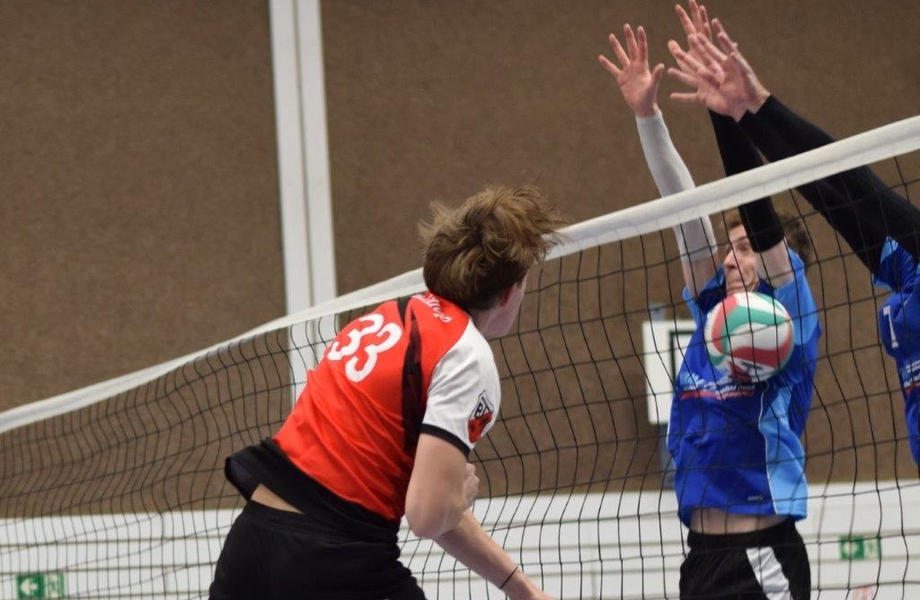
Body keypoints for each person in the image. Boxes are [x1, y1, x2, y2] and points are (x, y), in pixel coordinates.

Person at [208, 185, 566, 600]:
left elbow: (430, 500)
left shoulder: (385, 318)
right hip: (331, 560)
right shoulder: (465, 354)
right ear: (508, 293)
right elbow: (428, 515)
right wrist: (458, 497)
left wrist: (522, 589)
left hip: (250, 548)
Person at [600, 21, 820, 599]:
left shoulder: (790, 323)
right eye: (729, 247)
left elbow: (767, 229)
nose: (728, 257)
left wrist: (726, 115)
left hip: (763, 557)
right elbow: (684, 211)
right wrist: (647, 117)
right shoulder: (712, 317)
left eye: (745, 248)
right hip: (700, 559)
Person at [667, 0, 920, 466]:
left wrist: (761, 108)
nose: (730, 260)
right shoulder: (908, 265)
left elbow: (861, 190)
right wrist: (739, 114)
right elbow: (833, 193)